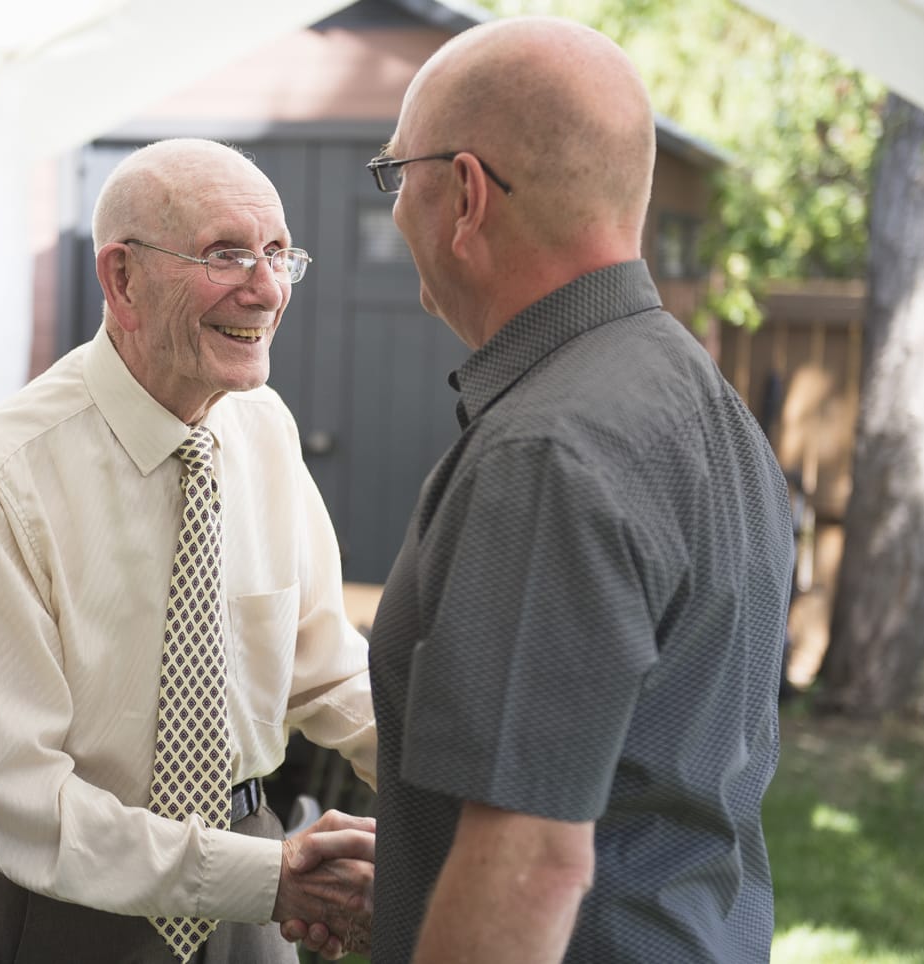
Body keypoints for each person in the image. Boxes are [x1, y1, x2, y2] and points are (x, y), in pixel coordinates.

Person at [361, 16, 794, 963]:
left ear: (465, 196)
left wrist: (477, 884)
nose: (396, 213)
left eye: (398, 177)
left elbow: (535, 869)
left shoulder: (547, 451)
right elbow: (647, 781)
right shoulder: (700, 402)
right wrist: (422, 866)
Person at [0, 138, 377, 963]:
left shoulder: (263, 428)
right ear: (122, 278)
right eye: (227, 254)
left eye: (277, 254)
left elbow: (327, 668)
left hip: (255, 884)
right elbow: (14, 797)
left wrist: (474, 792)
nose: (267, 289)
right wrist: (267, 878)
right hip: (71, 910)